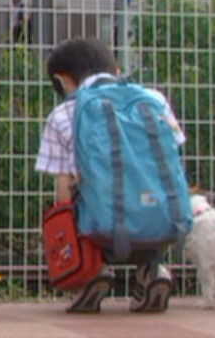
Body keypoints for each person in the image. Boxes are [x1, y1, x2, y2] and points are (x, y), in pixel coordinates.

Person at [34, 38, 183, 314]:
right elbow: (175, 150)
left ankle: (93, 271)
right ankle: (153, 271)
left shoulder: (64, 113)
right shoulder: (154, 99)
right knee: (144, 195)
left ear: (63, 80)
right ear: (116, 70)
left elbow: (63, 183)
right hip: (163, 214)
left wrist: (65, 228)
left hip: (102, 221)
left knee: (78, 199)